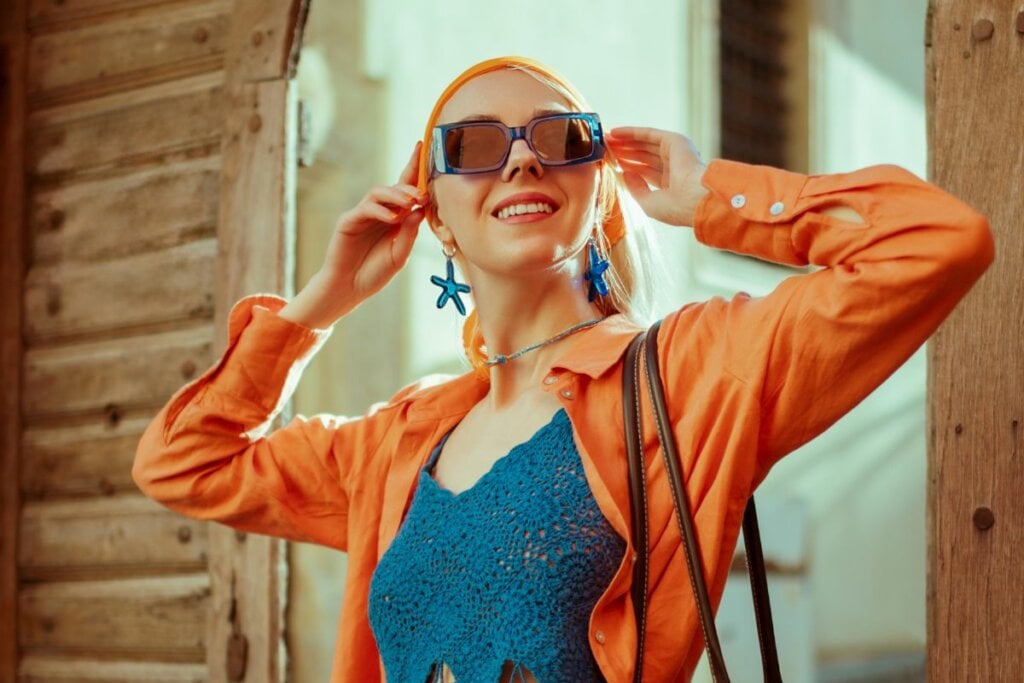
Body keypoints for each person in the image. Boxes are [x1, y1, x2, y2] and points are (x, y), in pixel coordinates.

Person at [133, 56, 994, 682]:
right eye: (471, 143)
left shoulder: (691, 375)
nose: (520, 158)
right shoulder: (398, 441)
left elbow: (935, 243)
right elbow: (184, 460)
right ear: (435, 218)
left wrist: (711, 196)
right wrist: (320, 301)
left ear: (600, 190)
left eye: (560, 136)